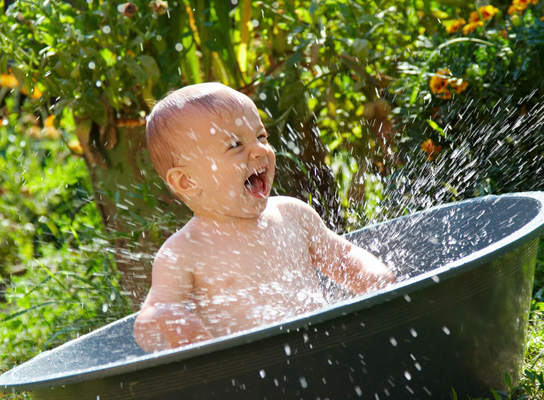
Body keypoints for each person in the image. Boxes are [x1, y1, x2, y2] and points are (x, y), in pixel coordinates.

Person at [134, 82, 395, 352]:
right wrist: (172, 323)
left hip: (325, 349)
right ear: (187, 181)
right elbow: (152, 317)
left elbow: (343, 258)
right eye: (235, 145)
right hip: (254, 373)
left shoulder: (292, 214)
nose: (260, 150)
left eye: (261, 137)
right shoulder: (185, 251)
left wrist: (377, 281)